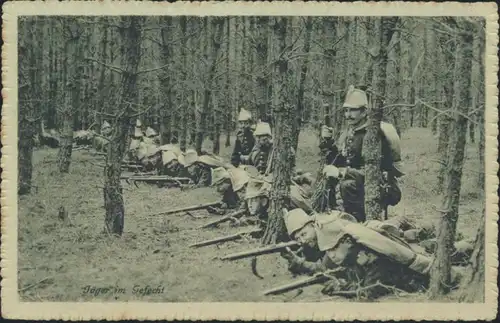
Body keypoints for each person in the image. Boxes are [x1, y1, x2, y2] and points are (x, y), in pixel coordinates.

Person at [321, 85, 404, 222]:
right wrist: (328, 142)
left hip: (382, 185)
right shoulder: (352, 132)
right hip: (360, 183)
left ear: (364, 111)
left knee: (347, 185)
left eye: (353, 111)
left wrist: (342, 172)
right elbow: (343, 161)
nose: (348, 115)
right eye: (346, 111)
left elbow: (374, 173)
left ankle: (359, 223)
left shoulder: (374, 134)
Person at [281, 208, 358, 275]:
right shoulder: (318, 225)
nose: (303, 241)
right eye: (298, 238)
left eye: (304, 234)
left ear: (313, 225)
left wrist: (301, 264)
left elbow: (325, 268)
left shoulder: (326, 229)